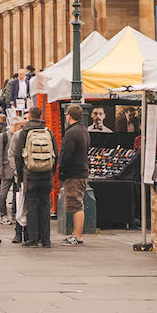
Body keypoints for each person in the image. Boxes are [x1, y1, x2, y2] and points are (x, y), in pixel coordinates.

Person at [15, 105, 58, 248]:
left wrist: (20, 177)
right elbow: (55, 154)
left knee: (32, 206)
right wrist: (51, 171)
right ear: (40, 116)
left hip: (30, 175)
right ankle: (46, 240)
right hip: (46, 175)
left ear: (30, 116)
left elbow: (18, 156)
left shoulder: (25, 132)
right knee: (45, 206)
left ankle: (33, 239)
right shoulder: (48, 131)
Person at [59, 103, 90, 246]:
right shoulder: (83, 130)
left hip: (74, 174)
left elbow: (66, 155)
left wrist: (62, 171)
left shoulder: (71, 133)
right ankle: (76, 234)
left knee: (76, 204)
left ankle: (77, 236)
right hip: (81, 171)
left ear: (69, 116)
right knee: (77, 203)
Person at [0, 117, 18, 227]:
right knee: (3, 194)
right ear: (15, 125)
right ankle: (2, 214)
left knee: (16, 194)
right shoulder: (3, 136)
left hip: (17, 170)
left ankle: (14, 214)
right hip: (6, 169)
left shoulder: (19, 135)